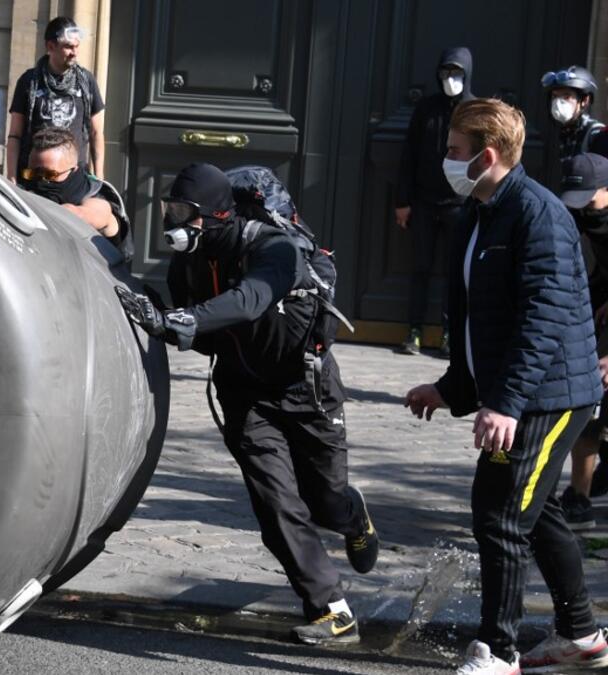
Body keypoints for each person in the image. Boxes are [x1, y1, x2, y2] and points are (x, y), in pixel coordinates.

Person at [116, 162, 378, 647]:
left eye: (184, 213)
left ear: (217, 214)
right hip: (245, 394)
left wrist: (180, 320)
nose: (174, 223)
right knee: (276, 506)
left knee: (324, 502)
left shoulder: (273, 247)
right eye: (170, 210)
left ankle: (350, 514)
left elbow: (251, 298)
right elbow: (206, 335)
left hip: (306, 388)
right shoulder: (187, 263)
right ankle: (332, 610)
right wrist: (160, 313)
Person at [404, 98, 608, 674]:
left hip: (550, 396)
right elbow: (479, 319)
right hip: (521, 394)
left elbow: (541, 319)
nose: (446, 159)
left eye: (453, 151)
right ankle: (581, 635)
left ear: (486, 155)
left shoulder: (537, 214)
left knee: (499, 516)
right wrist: (451, 388)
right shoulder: (478, 211)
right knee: (533, 511)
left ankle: (499, 651)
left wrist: (506, 404)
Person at [395, 47, 475, 357]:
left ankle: (449, 332)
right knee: (421, 266)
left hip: (459, 204)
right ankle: (413, 330)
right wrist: (403, 201)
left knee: (455, 271)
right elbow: (409, 156)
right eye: (445, 73)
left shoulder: (473, 109)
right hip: (425, 202)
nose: (450, 79)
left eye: (456, 73)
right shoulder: (427, 109)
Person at [556, 153, 608, 531]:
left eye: (589, 199)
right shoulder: (586, 216)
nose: (583, 209)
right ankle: (579, 497)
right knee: (588, 402)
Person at [6, 17, 105, 182]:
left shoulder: (86, 81)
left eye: (77, 46)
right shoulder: (29, 81)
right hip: (35, 176)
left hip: (73, 178)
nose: (75, 52)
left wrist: (100, 176)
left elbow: (96, 133)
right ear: (50, 46)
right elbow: (15, 135)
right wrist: (11, 177)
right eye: (68, 47)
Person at [19, 127, 131, 262]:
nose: (40, 181)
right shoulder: (29, 189)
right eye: (32, 174)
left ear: (73, 170)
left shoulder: (96, 195)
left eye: (49, 174)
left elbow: (86, 214)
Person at [543, 66, 604, 159]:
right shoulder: (567, 133)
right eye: (555, 96)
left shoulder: (596, 134)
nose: (558, 102)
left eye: (566, 96)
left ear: (585, 100)